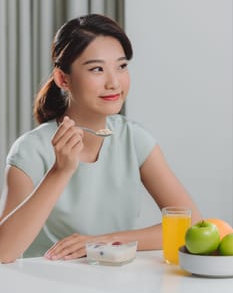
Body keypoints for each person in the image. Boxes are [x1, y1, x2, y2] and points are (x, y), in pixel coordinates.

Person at [0, 14, 201, 263]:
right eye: (97, 69)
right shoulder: (30, 150)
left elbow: (189, 226)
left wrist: (105, 241)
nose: (114, 82)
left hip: (117, 285)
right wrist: (60, 171)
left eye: (121, 66)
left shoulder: (133, 139)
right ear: (63, 79)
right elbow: (3, 251)